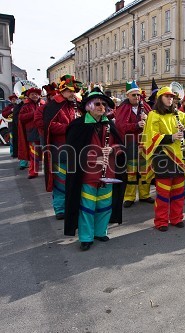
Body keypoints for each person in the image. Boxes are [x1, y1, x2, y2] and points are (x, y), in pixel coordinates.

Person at [64, 88, 124, 251]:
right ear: (88, 106)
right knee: (87, 207)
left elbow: (120, 145)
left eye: (104, 104)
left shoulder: (109, 124)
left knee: (105, 205)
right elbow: (72, 153)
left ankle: (100, 231)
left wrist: (113, 150)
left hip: (108, 173)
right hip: (88, 175)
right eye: (97, 103)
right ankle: (86, 237)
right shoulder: (78, 126)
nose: (101, 106)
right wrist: (93, 159)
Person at [143, 86, 185, 231]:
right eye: (167, 96)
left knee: (179, 192)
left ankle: (177, 218)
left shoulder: (180, 115)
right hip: (163, 159)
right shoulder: (153, 115)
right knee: (163, 194)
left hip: (180, 158)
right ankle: (161, 221)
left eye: (172, 97)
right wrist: (170, 137)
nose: (170, 99)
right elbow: (151, 136)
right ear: (160, 99)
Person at [42, 75, 81, 220]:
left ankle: (71, 206)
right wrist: (69, 128)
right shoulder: (53, 106)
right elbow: (50, 126)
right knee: (60, 181)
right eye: (70, 91)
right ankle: (59, 208)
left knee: (73, 180)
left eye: (74, 91)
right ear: (63, 90)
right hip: (60, 149)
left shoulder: (76, 104)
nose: (73, 93)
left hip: (76, 149)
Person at [114, 80, 154, 208]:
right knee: (131, 172)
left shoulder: (146, 107)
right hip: (130, 144)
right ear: (128, 96)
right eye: (134, 95)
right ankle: (129, 196)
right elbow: (120, 126)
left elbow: (154, 123)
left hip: (144, 143)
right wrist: (136, 125)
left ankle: (144, 194)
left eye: (138, 95)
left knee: (144, 170)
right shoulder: (123, 109)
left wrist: (147, 121)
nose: (137, 97)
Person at [18, 87, 45, 179]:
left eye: (36, 94)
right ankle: (33, 172)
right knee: (34, 153)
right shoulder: (25, 106)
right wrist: (34, 114)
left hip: (43, 131)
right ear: (29, 96)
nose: (35, 95)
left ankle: (49, 172)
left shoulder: (43, 104)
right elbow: (21, 117)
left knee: (47, 152)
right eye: (32, 94)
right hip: (32, 132)